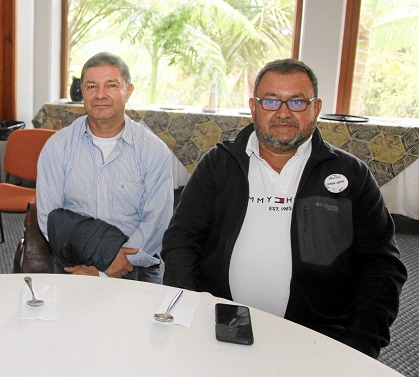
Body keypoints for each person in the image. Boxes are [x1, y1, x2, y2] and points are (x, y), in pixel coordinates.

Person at [162, 58, 407, 358]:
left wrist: (362, 342)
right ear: (253, 107)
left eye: (297, 102)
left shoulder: (349, 174)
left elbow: (381, 266)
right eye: (271, 101)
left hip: (317, 334)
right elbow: (182, 240)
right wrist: (193, 309)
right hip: (225, 322)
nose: (283, 113)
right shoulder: (220, 164)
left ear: (316, 108)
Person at [36, 52, 174, 283]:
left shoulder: (152, 151)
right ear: (82, 91)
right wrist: (95, 264)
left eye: (111, 85)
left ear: (128, 91)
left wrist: (114, 265)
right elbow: (48, 217)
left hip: (133, 264)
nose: (100, 95)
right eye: (91, 86)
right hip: (74, 262)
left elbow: (156, 221)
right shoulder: (58, 147)